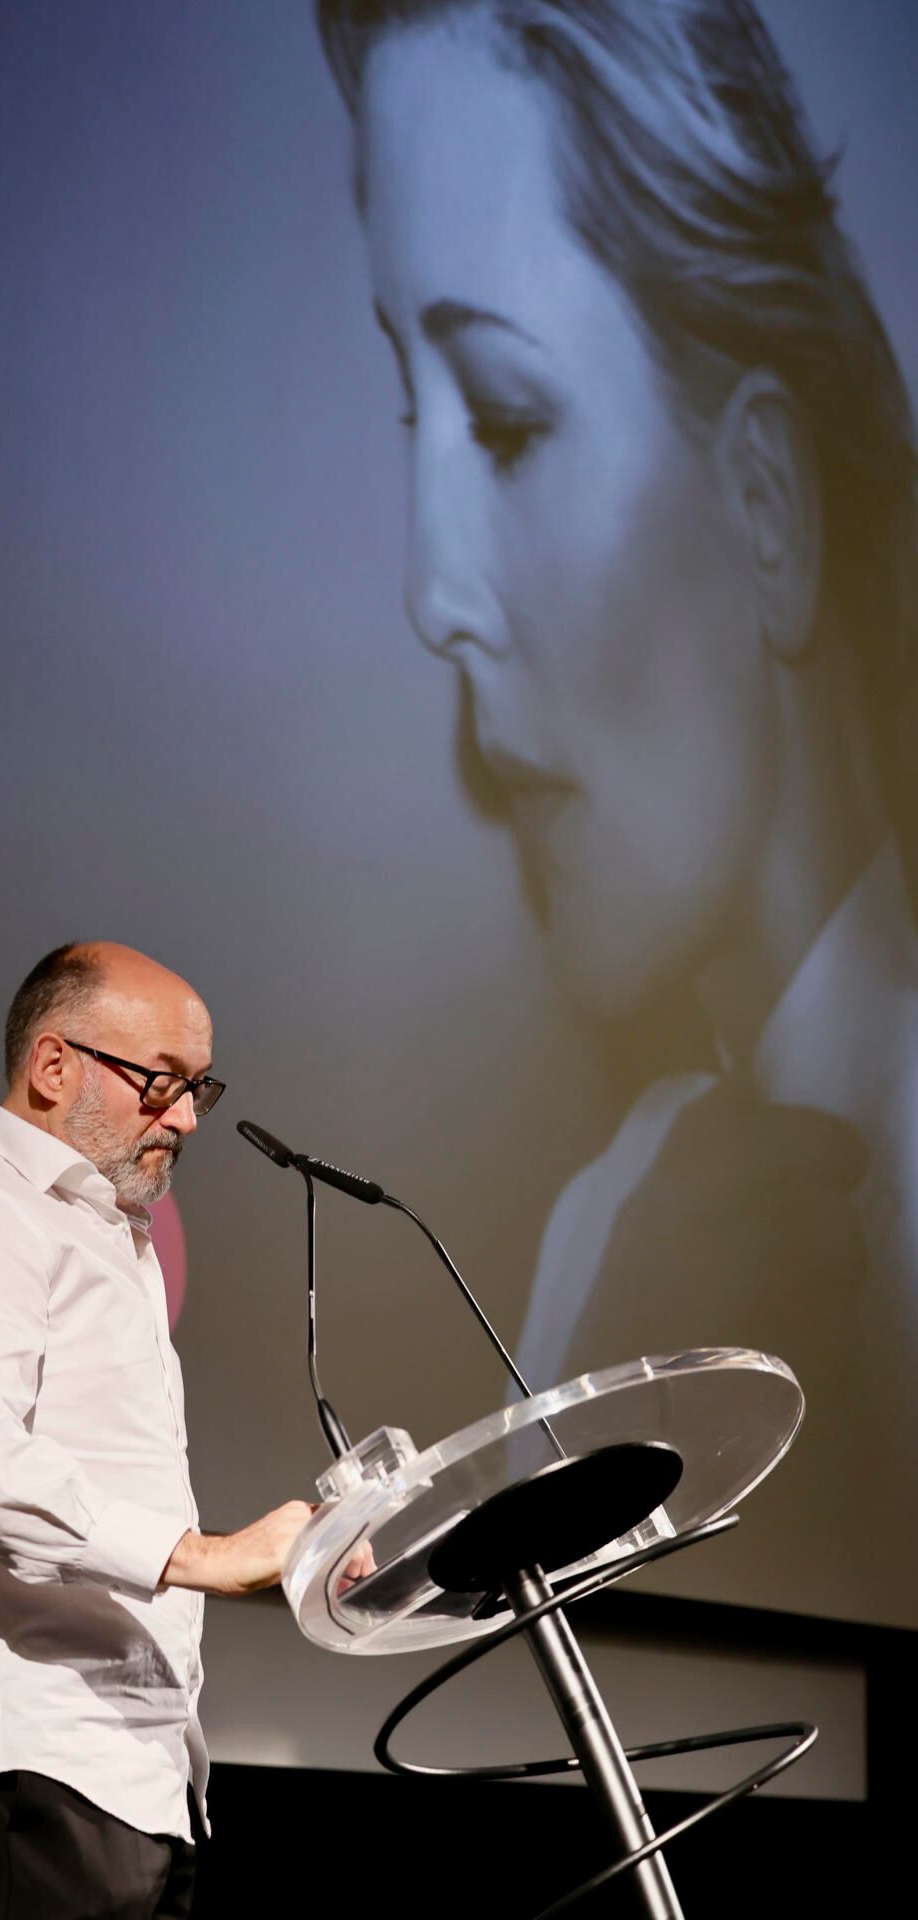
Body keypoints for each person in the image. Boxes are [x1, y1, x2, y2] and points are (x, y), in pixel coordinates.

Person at [316, 0, 918, 1610]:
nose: (428, 593)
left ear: (769, 507)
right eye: (408, 409)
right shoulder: (598, 1234)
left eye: (506, 419)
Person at [0, 940, 329, 1918]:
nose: (184, 1117)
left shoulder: (104, 1236)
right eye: (160, 1083)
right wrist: (201, 1555)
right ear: (53, 1067)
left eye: (199, 1089)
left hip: (131, 1770)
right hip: (22, 1760)